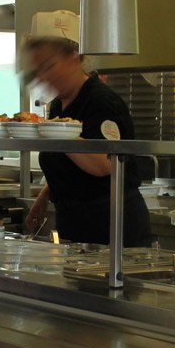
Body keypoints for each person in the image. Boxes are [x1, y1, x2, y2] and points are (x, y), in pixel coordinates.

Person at [22, 33, 153, 247]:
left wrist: (58, 133)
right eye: (39, 71)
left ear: (74, 59)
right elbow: (67, 162)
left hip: (111, 227)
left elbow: (105, 164)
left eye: (49, 66)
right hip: (74, 226)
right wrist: (44, 197)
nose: (44, 76)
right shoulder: (58, 106)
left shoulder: (101, 101)